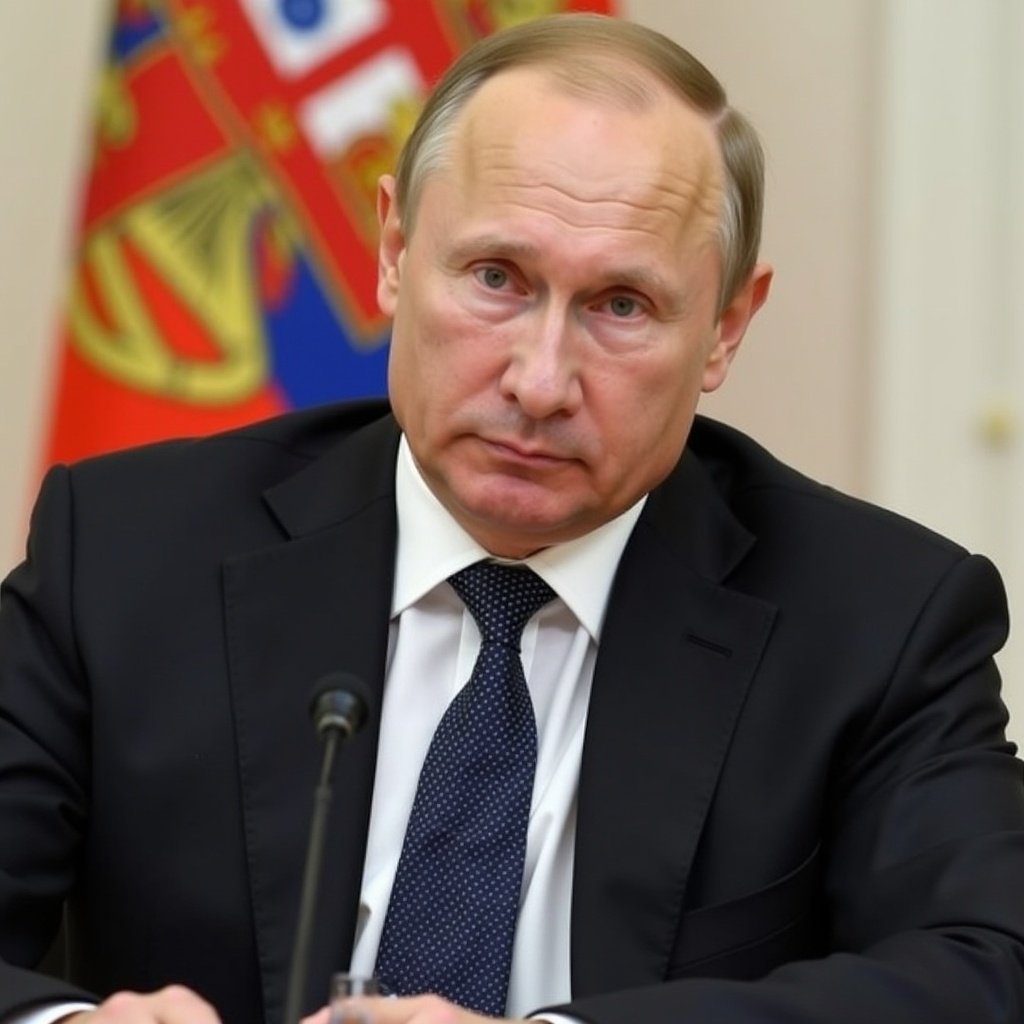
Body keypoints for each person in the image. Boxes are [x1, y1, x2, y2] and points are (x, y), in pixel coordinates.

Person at [1, 12, 1023, 1024]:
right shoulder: (128, 550)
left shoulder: (879, 623)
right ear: (395, 250)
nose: (539, 383)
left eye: (620, 305)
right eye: (496, 279)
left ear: (724, 328)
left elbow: (986, 968)